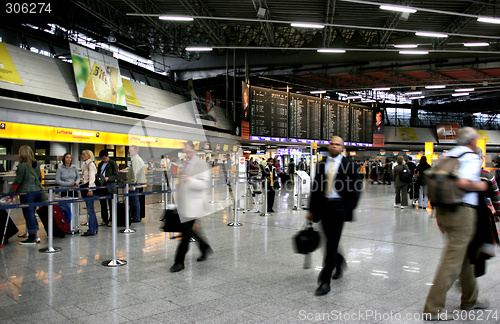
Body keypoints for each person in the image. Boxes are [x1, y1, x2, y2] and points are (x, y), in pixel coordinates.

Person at [423, 127, 489, 320]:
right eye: (476, 140)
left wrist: (438, 214)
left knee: (467, 257)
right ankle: (432, 309)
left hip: (446, 210)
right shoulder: (469, 156)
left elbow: (440, 185)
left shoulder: (448, 155)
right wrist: (481, 185)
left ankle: (470, 300)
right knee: (452, 261)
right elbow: (463, 183)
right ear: (472, 141)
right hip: (462, 212)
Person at [307, 136, 361, 296]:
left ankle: (325, 281)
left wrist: (348, 207)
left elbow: (356, 187)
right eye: (332, 144)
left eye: (338, 144)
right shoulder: (322, 164)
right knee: (328, 240)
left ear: (342, 148)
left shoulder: (349, 165)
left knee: (331, 243)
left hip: (339, 207)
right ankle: (339, 261)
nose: (334, 146)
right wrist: (311, 209)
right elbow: (316, 188)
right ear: (329, 146)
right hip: (324, 206)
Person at [170, 141, 212, 273]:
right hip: (184, 203)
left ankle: (179, 262)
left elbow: (204, 184)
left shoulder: (202, 165)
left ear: (194, 150)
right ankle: (205, 247)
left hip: (194, 204)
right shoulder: (185, 164)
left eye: (188, 152)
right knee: (189, 230)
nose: (187, 154)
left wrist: (190, 180)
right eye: (185, 152)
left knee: (185, 233)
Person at [10, 145, 42, 244]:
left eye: (19, 152)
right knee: (32, 214)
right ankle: (36, 235)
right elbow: (40, 178)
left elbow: (18, 181)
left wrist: (10, 193)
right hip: (37, 192)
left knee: (28, 215)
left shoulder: (22, 165)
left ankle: (32, 237)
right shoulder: (35, 164)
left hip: (27, 193)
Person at [96, 150, 119, 226]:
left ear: (108, 156)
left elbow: (116, 175)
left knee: (111, 204)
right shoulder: (100, 165)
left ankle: (112, 220)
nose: (103, 160)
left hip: (110, 186)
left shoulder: (113, 164)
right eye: (102, 159)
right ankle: (104, 219)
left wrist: (108, 178)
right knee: (103, 204)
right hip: (101, 186)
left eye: (104, 158)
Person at [80, 149, 98, 236]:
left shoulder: (90, 165)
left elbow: (92, 177)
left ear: (89, 156)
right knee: (90, 209)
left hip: (89, 188)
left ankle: (92, 229)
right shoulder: (86, 165)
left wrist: (90, 188)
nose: (82, 156)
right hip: (86, 187)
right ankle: (95, 227)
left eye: (84, 155)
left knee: (90, 209)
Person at [127, 146, 146, 223]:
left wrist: (132, 184)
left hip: (136, 184)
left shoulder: (135, 160)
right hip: (138, 184)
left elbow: (135, 173)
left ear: (135, 151)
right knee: (135, 201)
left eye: (130, 150)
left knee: (135, 201)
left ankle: (136, 217)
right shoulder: (136, 159)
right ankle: (136, 216)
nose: (129, 152)